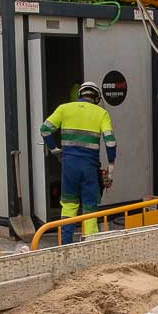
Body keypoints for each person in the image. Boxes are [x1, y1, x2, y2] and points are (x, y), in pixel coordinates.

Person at [39, 81, 117, 244]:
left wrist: (55, 150)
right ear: (95, 97)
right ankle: (89, 244)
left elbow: (44, 129)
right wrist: (110, 169)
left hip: (69, 166)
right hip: (89, 167)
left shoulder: (64, 109)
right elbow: (110, 142)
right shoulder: (101, 113)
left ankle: (65, 245)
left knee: (68, 205)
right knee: (89, 206)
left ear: (80, 95)